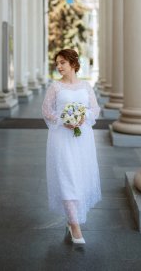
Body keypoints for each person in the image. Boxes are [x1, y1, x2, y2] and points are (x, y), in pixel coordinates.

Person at [42, 49, 101, 245]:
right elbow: (46, 110)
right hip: (61, 137)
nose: (58, 66)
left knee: (79, 177)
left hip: (83, 138)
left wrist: (82, 117)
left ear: (73, 64)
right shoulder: (55, 87)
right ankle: (75, 225)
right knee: (66, 176)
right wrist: (63, 119)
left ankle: (71, 218)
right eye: (57, 63)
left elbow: (95, 109)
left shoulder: (86, 86)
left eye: (62, 63)